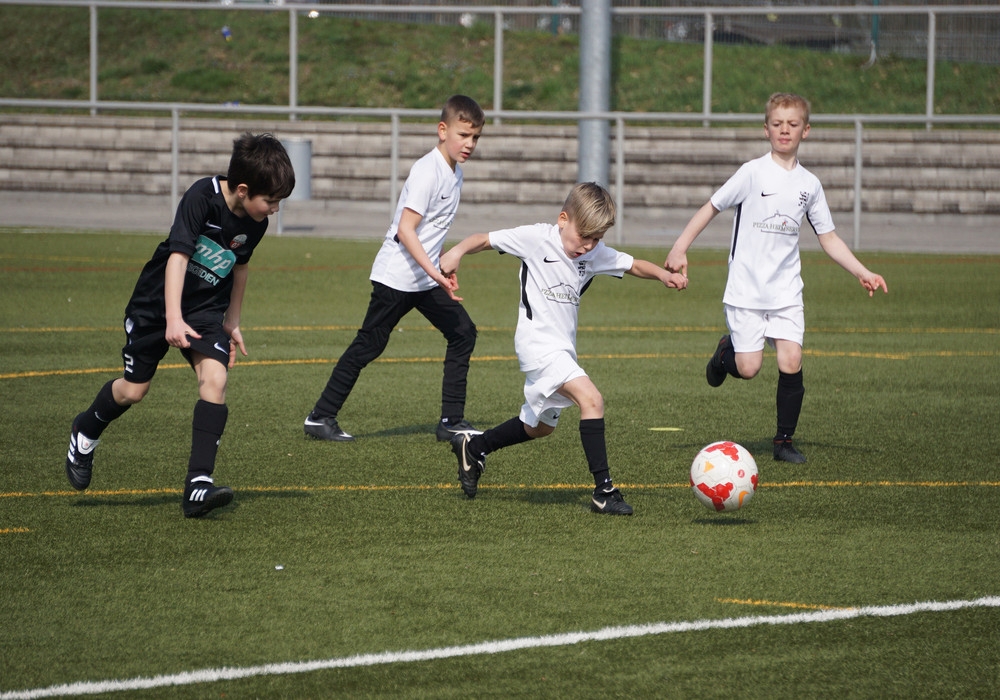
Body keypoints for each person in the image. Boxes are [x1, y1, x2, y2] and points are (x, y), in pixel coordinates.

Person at [64, 132, 296, 518]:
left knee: (215, 379)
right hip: (156, 306)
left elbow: (240, 267)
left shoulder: (255, 222)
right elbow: (178, 257)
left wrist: (232, 320)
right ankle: (85, 429)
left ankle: (197, 485)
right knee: (134, 390)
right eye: (271, 201)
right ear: (243, 190)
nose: (274, 209)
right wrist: (172, 317)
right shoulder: (201, 197)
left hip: (205, 310)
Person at [664, 92, 888, 464]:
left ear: (806, 131)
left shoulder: (810, 185)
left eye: (793, 124)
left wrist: (862, 271)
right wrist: (679, 248)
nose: (785, 130)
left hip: (786, 291)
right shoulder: (752, 173)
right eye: (778, 124)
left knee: (791, 359)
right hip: (746, 290)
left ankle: (783, 442)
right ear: (766, 129)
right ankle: (724, 353)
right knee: (749, 368)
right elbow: (712, 207)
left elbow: (828, 237)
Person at [439, 182, 688, 515]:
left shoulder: (593, 253)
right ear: (563, 219)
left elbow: (632, 264)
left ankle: (475, 447)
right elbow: (483, 239)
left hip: (563, 350)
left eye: (596, 239)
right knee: (592, 399)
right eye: (583, 236)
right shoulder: (536, 238)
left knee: (539, 427)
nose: (588, 246)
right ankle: (604, 491)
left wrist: (662, 276)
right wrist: (455, 253)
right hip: (537, 346)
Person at [304, 95, 486, 443]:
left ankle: (451, 422)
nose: (470, 144)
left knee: (463, 331)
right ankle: (320, 417)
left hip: (423, 278)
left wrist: (442, 265)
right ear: (442, 130)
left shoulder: (455, 174)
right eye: (463, 135)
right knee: (369, 345)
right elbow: (406, 230)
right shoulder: (427, 171)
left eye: (475, 137)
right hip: (397, 278)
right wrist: (435, 273)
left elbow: (431, 230)